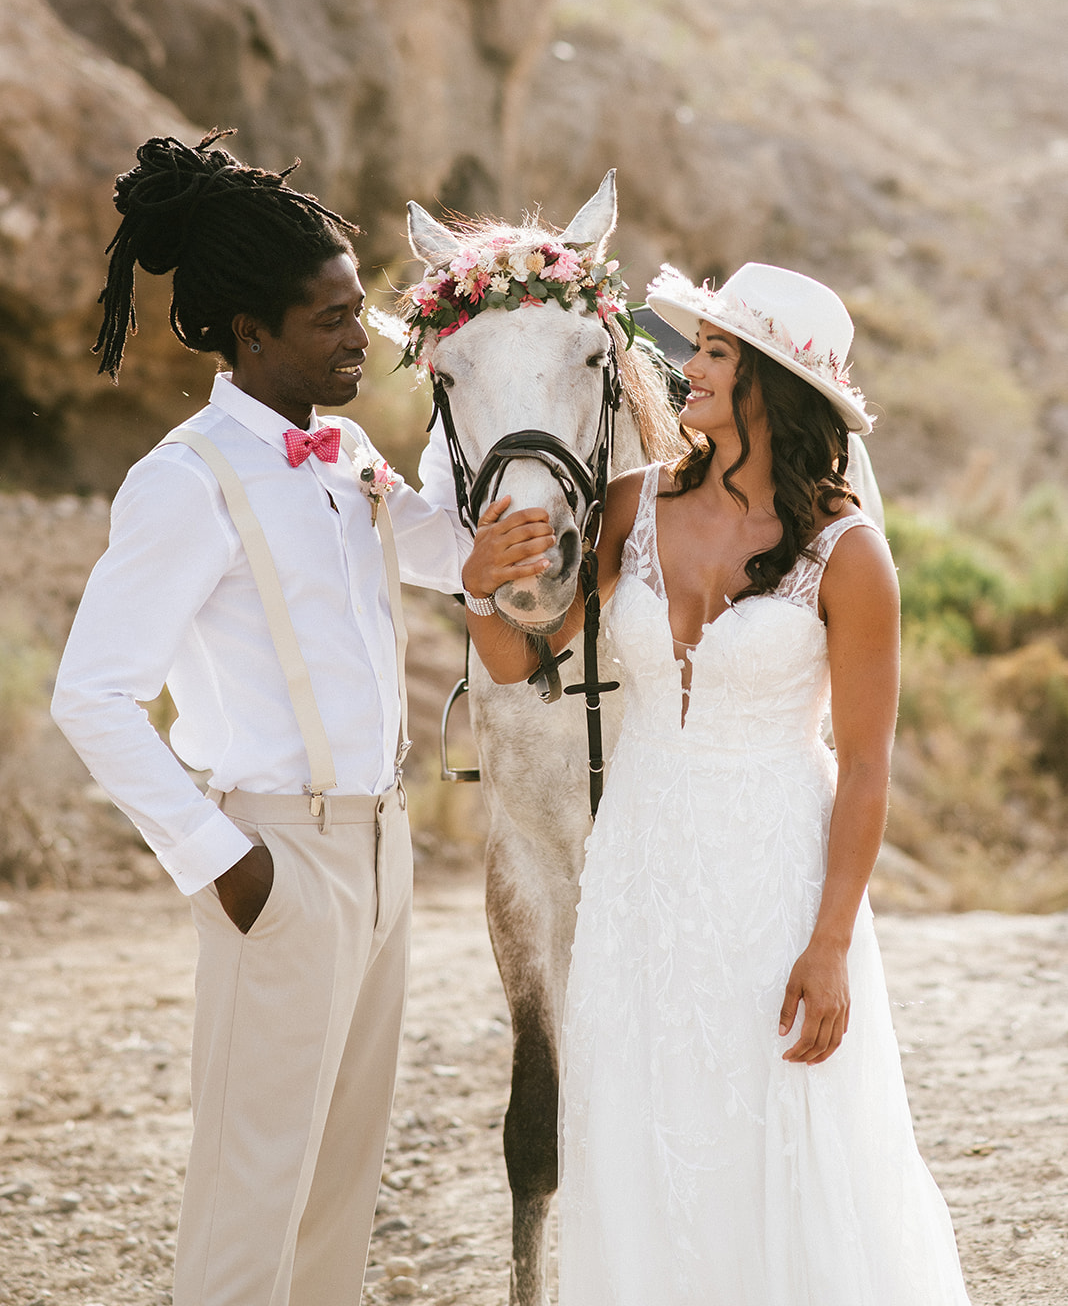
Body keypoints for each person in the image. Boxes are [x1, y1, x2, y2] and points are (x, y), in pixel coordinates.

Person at [461, 262, 972, 1304]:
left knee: (783, 1139)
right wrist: (480, 593)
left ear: (771, 385)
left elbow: (867, 765)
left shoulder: (850, 554)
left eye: (716, 352)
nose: (685, 366)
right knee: (645, 1134)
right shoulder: (629, 507)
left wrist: (829, 946)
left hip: (773, 876)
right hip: (639, 876)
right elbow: (527, 665)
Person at [51, 131, 468, 1306]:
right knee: (252, 1199)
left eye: (360, 311)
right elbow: (92, 694)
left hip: (384, 853)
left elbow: (449, 551)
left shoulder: (345, 456)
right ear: (251, 334)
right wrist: (223, 864)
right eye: (333, 318)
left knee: (341, 1191)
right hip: (273, 859)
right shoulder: (184, 482)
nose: (359, 337)